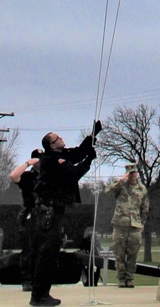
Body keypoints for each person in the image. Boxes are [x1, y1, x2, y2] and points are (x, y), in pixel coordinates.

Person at [30, 124, 101, 307]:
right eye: (57, 138)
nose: (61, 138)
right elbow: (73, 173)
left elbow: (78, 153)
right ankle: (38, 296)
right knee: (47, 254)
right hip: (49, 212)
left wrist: (93, 135)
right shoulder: (52, 160)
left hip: (54, 210)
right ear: (52, 146)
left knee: (50, 254)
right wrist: (89, 161)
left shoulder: (59, 155)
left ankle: (42, 294)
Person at [105, 167, 148, 289]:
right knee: (119, 254)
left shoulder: (142, 189)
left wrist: (142, 223)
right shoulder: (121, 186)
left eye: (134, 172)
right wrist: (120, 180)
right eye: (130, 173)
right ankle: (121, 279)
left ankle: (129, 278)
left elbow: (145, 207)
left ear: (137, 173)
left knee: (132, 254)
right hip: (120, 225)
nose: (132, 175)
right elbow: (108, 191)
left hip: (135, 226)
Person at [9, 149, 42, 292]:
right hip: (31, 213)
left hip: (46, 214)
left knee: (42, 250)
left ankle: (39, 279)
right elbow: (14, 176)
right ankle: (27, 280)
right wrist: (28, 163)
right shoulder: (28, 176)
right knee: (29, 249)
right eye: (38, 159)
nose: (41, 162)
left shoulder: (49, 175)